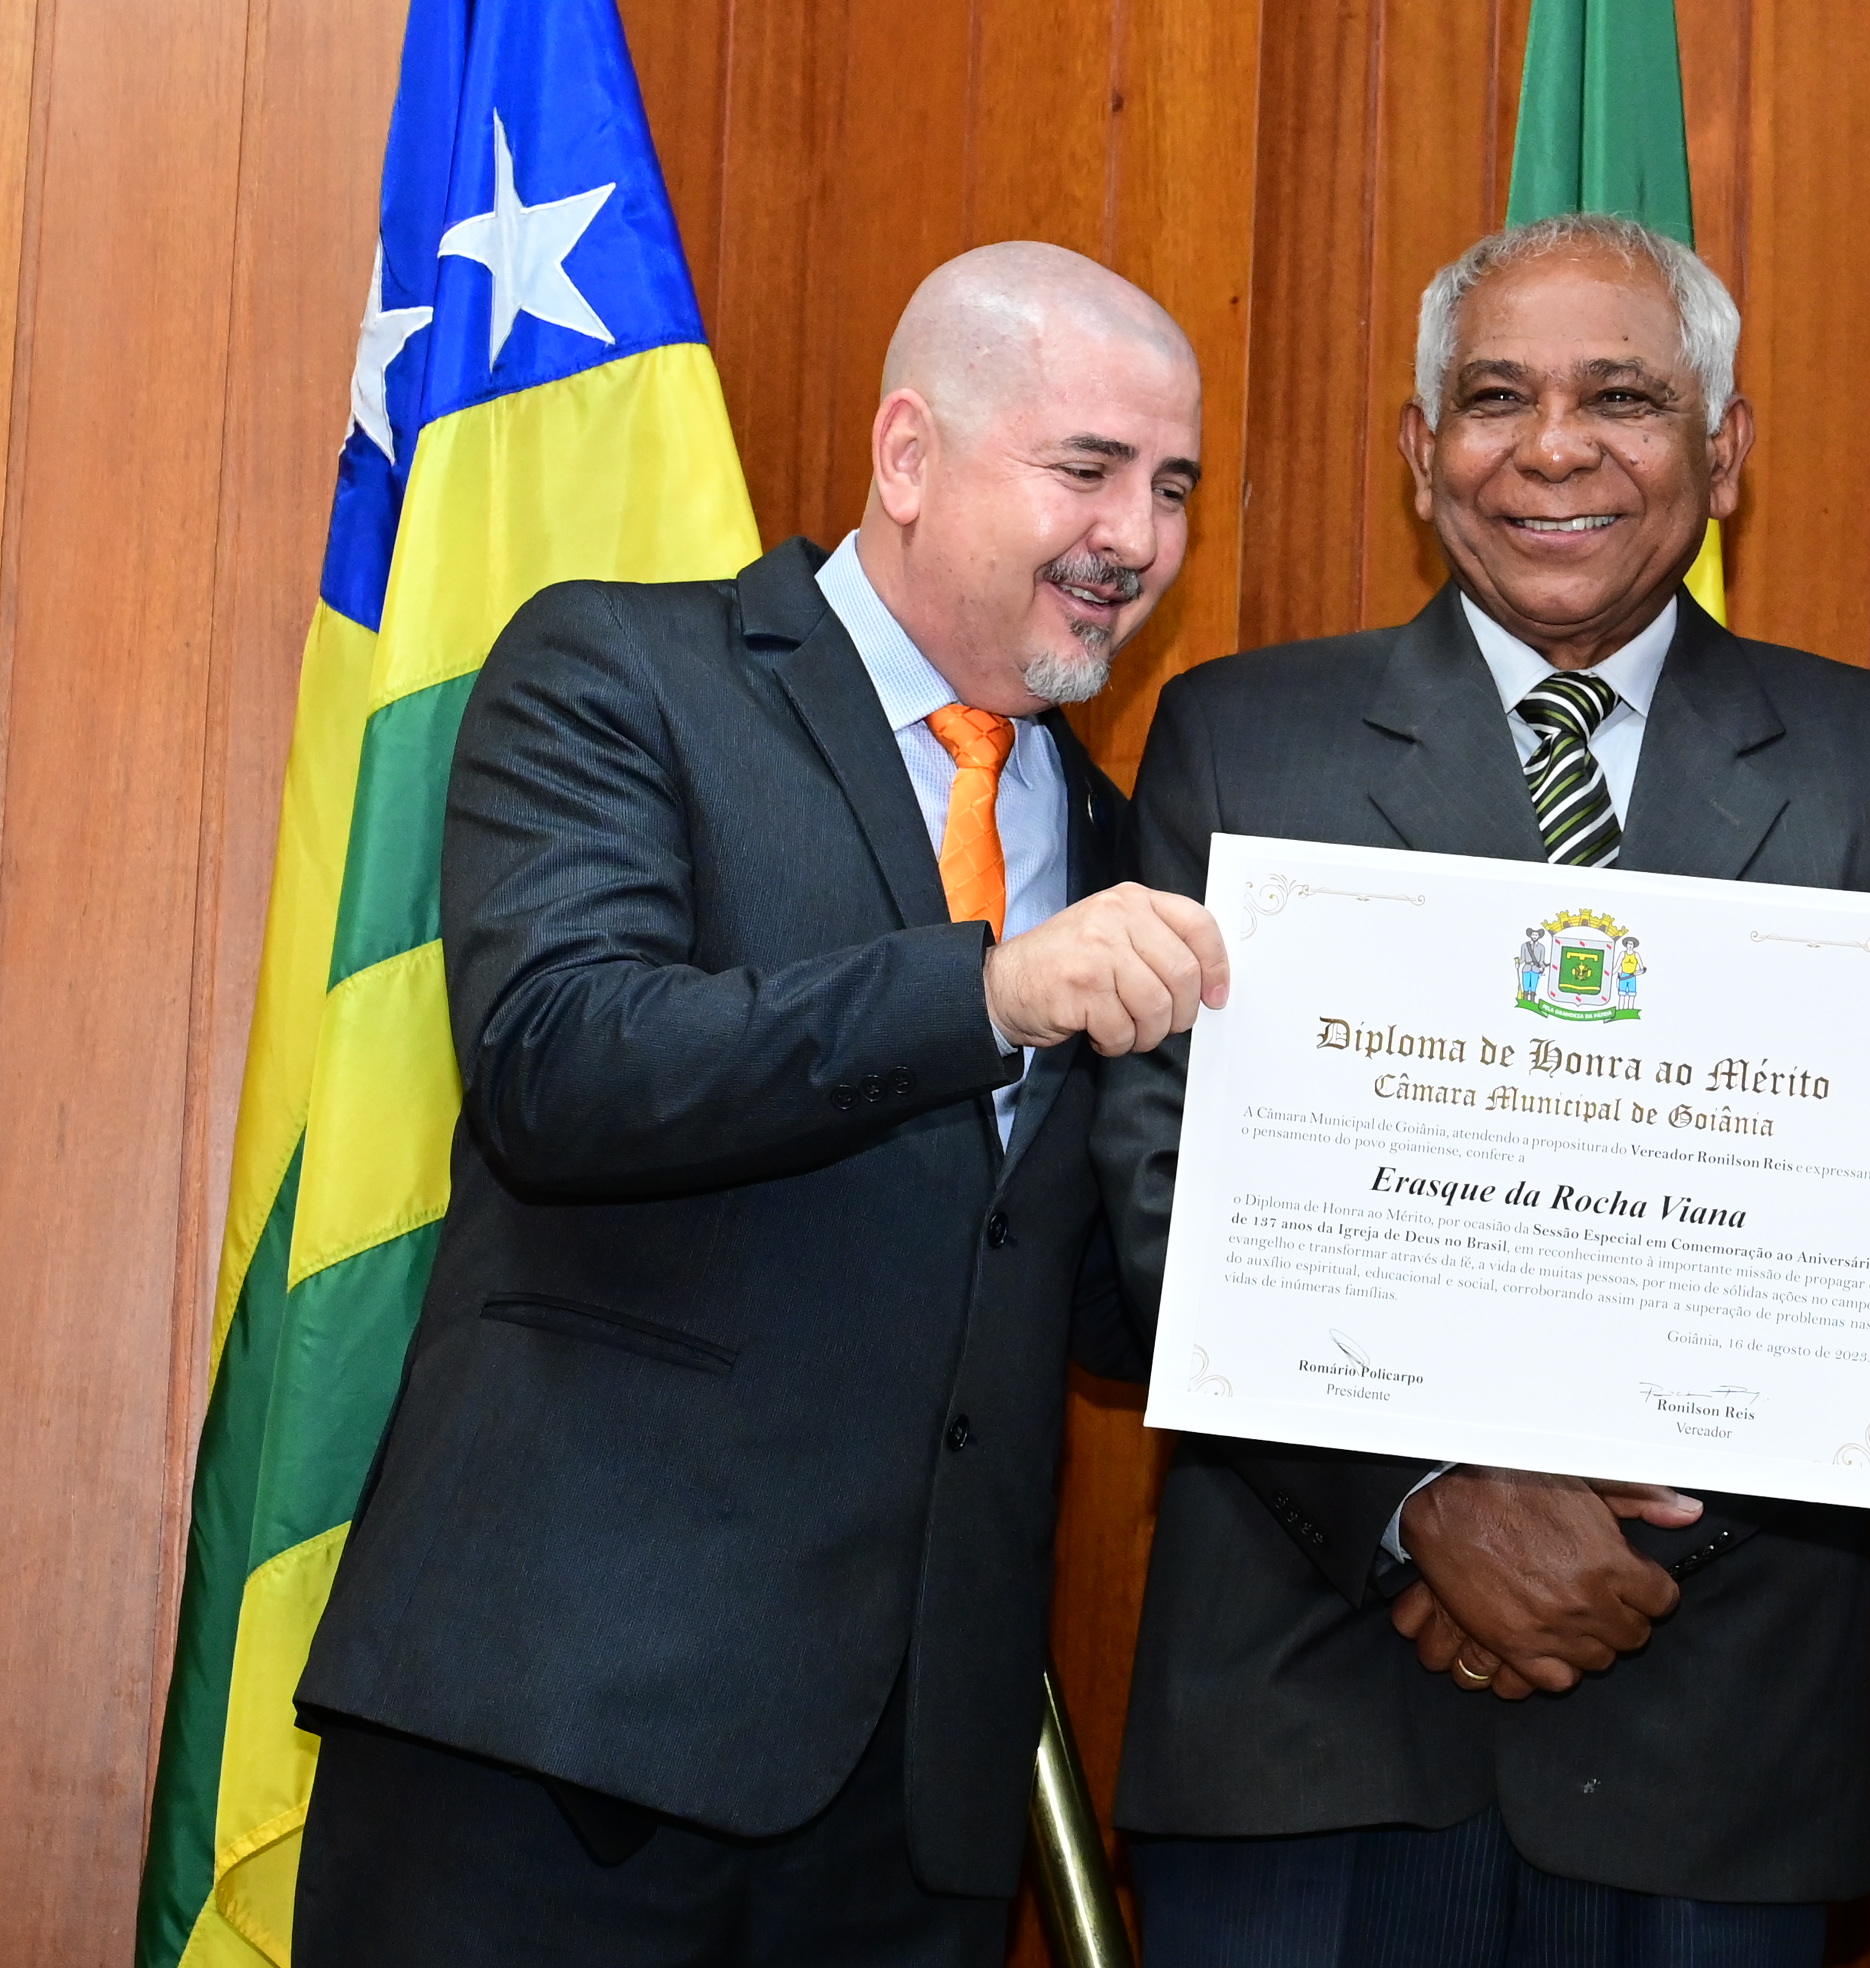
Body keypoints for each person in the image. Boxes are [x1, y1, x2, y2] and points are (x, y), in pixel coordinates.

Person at [291, 242, 1230, 1967]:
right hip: (561, 1751)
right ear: (908, 456)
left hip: (907, 1815)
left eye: (1172, 488)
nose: (1137, 538)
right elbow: (561, 1060)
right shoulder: (619, 671)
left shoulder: (1113, 841)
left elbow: (1095, 1286)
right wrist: (986, 990)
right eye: (1088, 468)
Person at [1091, 212, 1870, 1967]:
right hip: (1311, 1717)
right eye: (1495, 399)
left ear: (1724, 451)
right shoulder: (1240, 739)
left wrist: (1613, 1539)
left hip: (1703, 1733)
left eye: (1623, 398)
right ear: (1421, 454)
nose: (1553, 449)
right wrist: (1423, 1501)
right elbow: (1157, 1181)